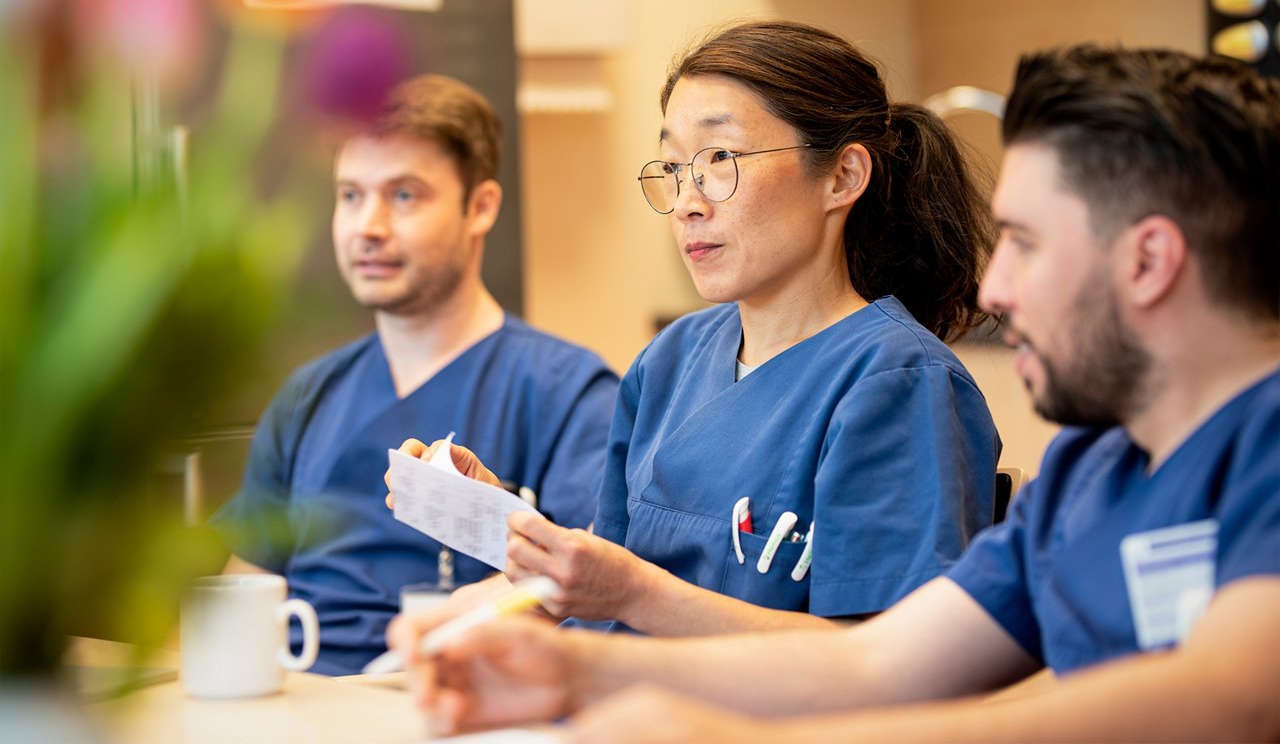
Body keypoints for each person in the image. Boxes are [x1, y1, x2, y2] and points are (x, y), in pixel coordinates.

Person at [388, 44, 1280, 741]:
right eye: (675, 167)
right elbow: (884, 666)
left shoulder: (1263, 448)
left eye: (1026, 243)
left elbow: (1227, 703)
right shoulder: (1092, 471)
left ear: (1151, 259)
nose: (995, 290)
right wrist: (564, 670)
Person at [390, 20, 1001, 636]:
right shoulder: (673, 358)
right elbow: (612, 577)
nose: (688, 201)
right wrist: (506, 526)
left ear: (842, 177)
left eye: (721, 158)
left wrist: (632, 593)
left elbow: (889, 666)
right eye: (676, 168)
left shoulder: (899, 383)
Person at [212, 74, 618, 676]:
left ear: (480, 207)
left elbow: (591, 592)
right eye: (351, 195)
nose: (368, 226)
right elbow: (241, 591)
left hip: (454, 698)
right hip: (293, 704)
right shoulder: (307, 397)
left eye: (404, 196)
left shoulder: (569, 394)